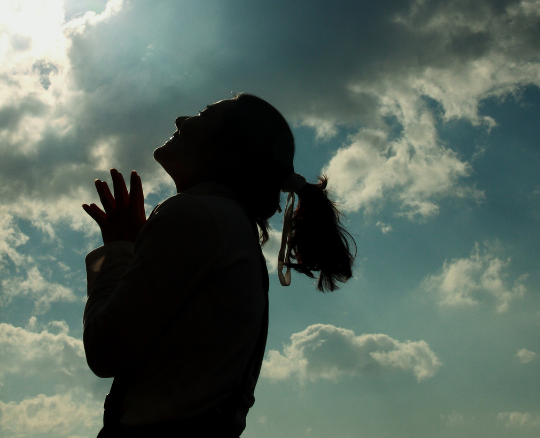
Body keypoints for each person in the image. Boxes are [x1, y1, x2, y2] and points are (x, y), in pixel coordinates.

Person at [81, 93, 356, 437]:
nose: (182, 120)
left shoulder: (191, 214)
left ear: (229, 152)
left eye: (203, 114)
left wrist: (119, 248)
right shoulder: (230, 227)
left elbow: (106, 349)